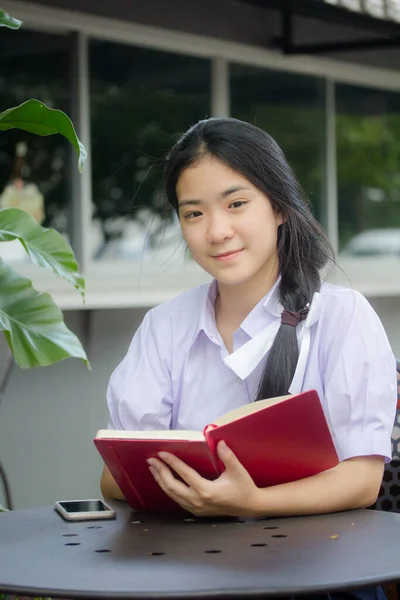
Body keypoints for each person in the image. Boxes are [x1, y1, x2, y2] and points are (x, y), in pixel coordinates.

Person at [101, 117, 397, 600]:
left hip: (319, 575)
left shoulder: (342, 316)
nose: (217, 231)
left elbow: (362, 480)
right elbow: (114, 475)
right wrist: (189, 493)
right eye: (193, 214)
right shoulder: (164, 325)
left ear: (279, 207)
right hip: (189, 575)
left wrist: (252, 501)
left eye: (237, 204)